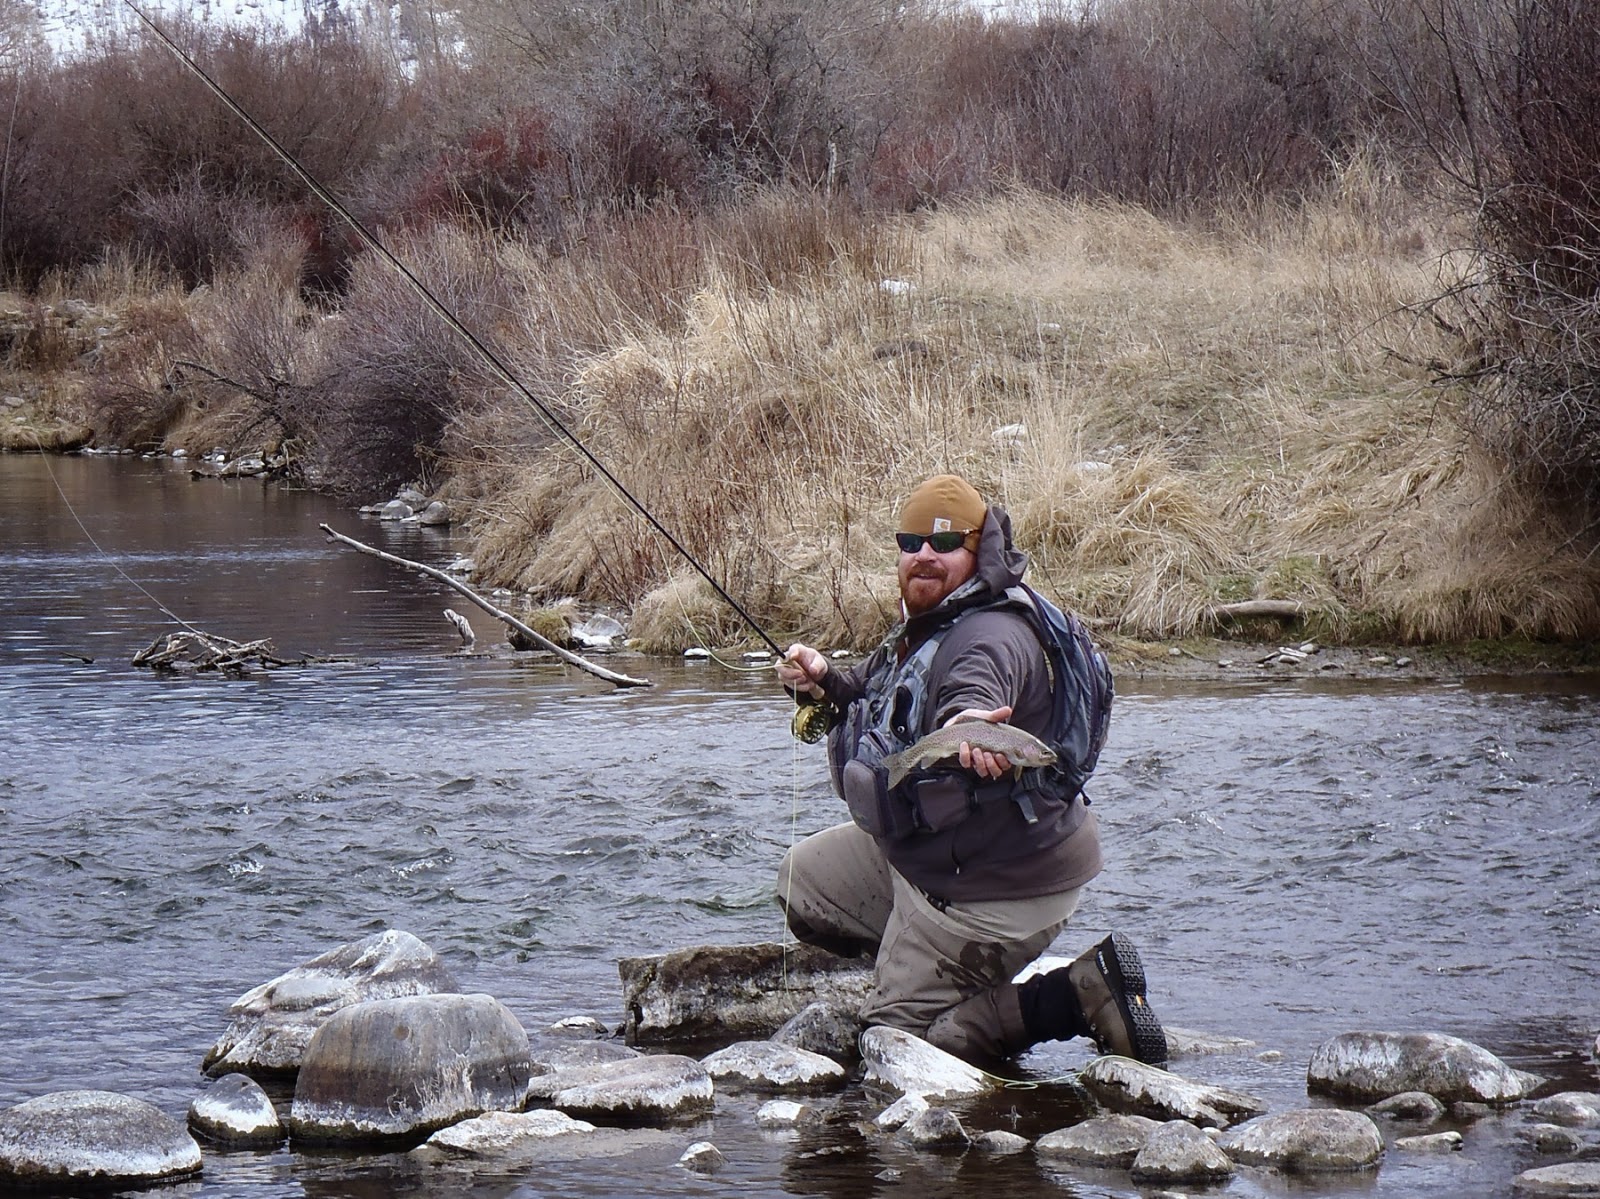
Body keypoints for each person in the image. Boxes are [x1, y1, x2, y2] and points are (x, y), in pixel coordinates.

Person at [774, 473, 1166, 1066]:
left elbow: (974, 689)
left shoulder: (991, 635)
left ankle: (1072, 994)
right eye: (912, 543)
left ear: (978, 550)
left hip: (994, 890)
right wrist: (828, 680)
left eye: (945, 542)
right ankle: (941, 970)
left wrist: (970, 724)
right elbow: (892, 696)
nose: (924, 556)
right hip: (935, 858)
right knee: (802, 881)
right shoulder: (938, 618)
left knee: (902, 1050)